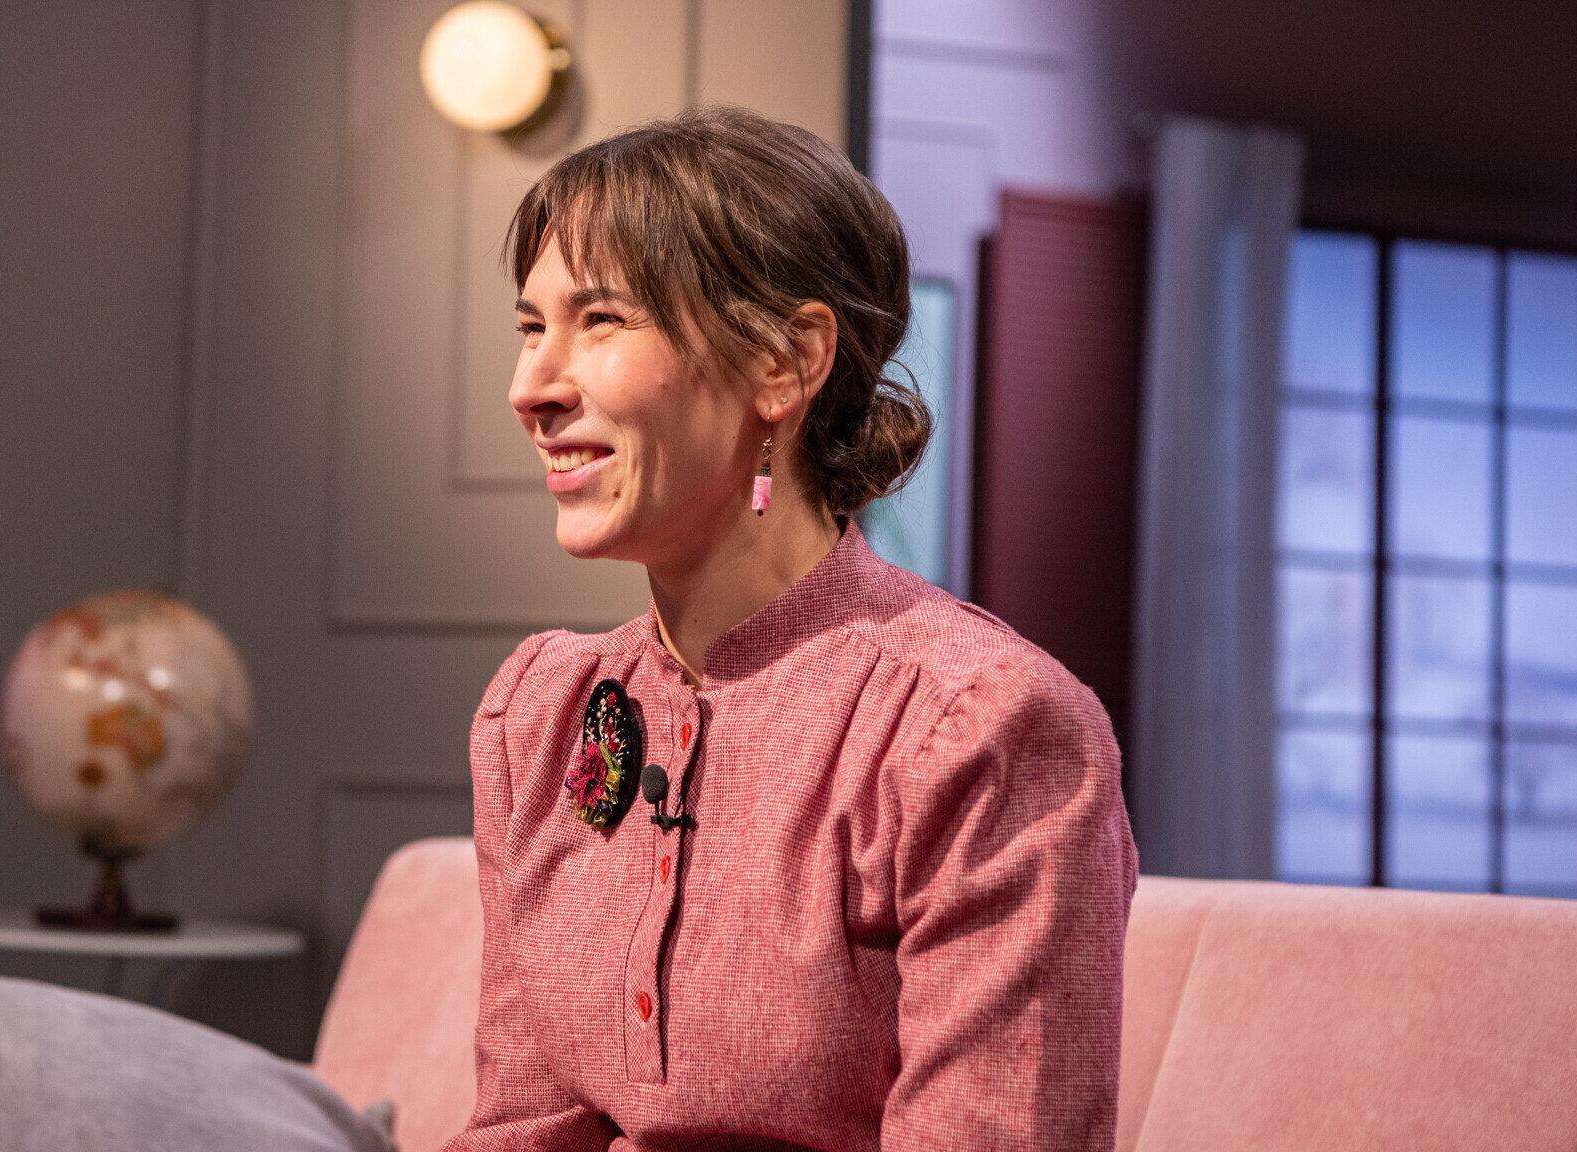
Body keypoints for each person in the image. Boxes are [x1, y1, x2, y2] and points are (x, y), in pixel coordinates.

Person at [441, 106, 1137, 1152]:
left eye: (602, 320)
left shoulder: (979, 726)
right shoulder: (539, 715)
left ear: (784, 362)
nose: (528, 387)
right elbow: (520, 1128)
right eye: (531, 327)